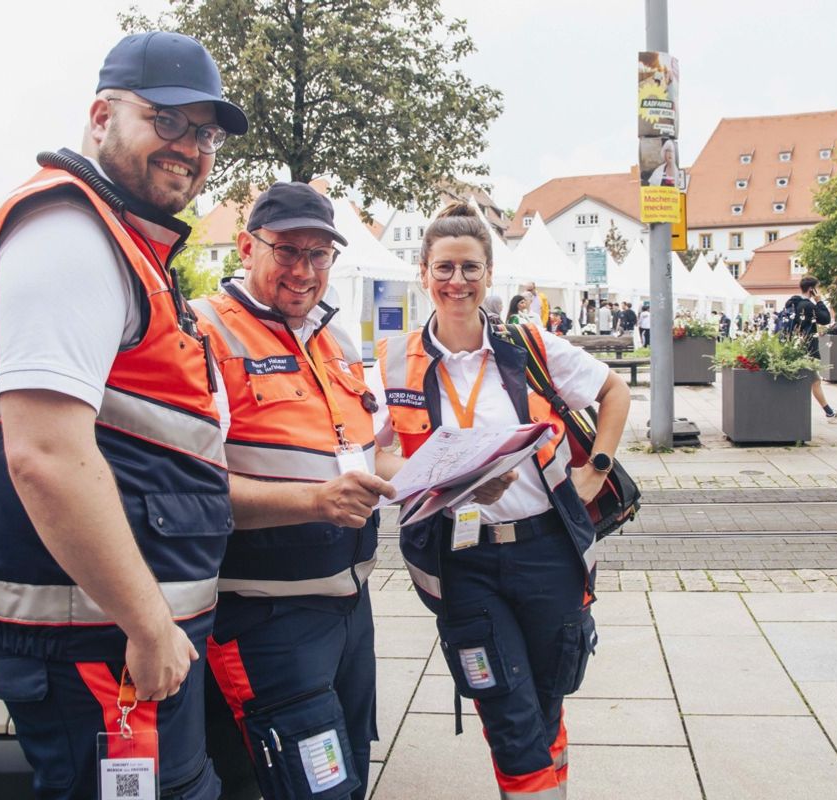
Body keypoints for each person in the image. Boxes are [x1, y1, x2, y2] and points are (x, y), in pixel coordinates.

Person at [0, 32, 248, 799]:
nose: (191, 148)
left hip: (117, 633)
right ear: (101, 114)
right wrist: (149, 625)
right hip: (102, 640)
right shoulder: (71, 233)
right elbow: (44, 456)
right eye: (169, 120)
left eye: (206, 134)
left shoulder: (116, 239)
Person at [372, 203, 631, 800]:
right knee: (507, 710)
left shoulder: (529, 348)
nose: (456, 281)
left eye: (469, 268)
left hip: (546, 552)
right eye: (443, 268)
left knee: (546, 694)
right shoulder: (393, 362)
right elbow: (369, 453)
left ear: (489, 275)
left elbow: (613, 393)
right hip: (462, 561)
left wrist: (595, 469)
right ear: (423, 272)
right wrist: (426, 474)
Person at [193, 182, 399, 800]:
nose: (304, 271)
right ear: (245, 246)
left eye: (319, 255)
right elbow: (188, 487)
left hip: (348, 607)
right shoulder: (205, 334)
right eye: (287, 251)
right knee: (308, 785)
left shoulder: (332, 338)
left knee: (351, 774)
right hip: (265, 615)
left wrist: (444, 478)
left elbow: (373, 451)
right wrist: (315, 503)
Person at [784, 275, 837, 421]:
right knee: (814, 381)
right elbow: (826, 319)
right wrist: (819, 301)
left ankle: (829, 411)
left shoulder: (793, 303)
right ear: (812, 289)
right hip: (806, 349)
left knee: (813, 380)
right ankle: (829, 413)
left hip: (795, 346)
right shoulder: (808, 305)